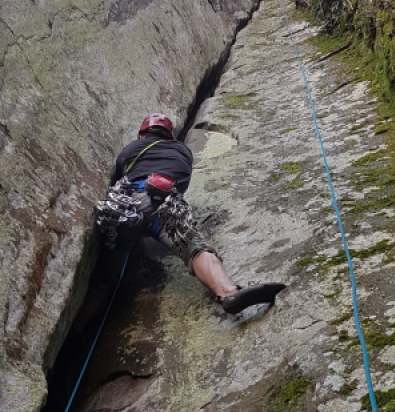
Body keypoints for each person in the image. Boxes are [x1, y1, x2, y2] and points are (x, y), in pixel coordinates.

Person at [96, 114, 286, 314]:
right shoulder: (182, 151)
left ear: (142, 135)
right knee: (195, 249)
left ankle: (80, 328)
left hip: (123, 208)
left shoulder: (129, 151)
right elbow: (181, 182)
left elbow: (119, 177)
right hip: (162, 205)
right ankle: (227, 292)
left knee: (105, 280)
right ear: (169, 136)